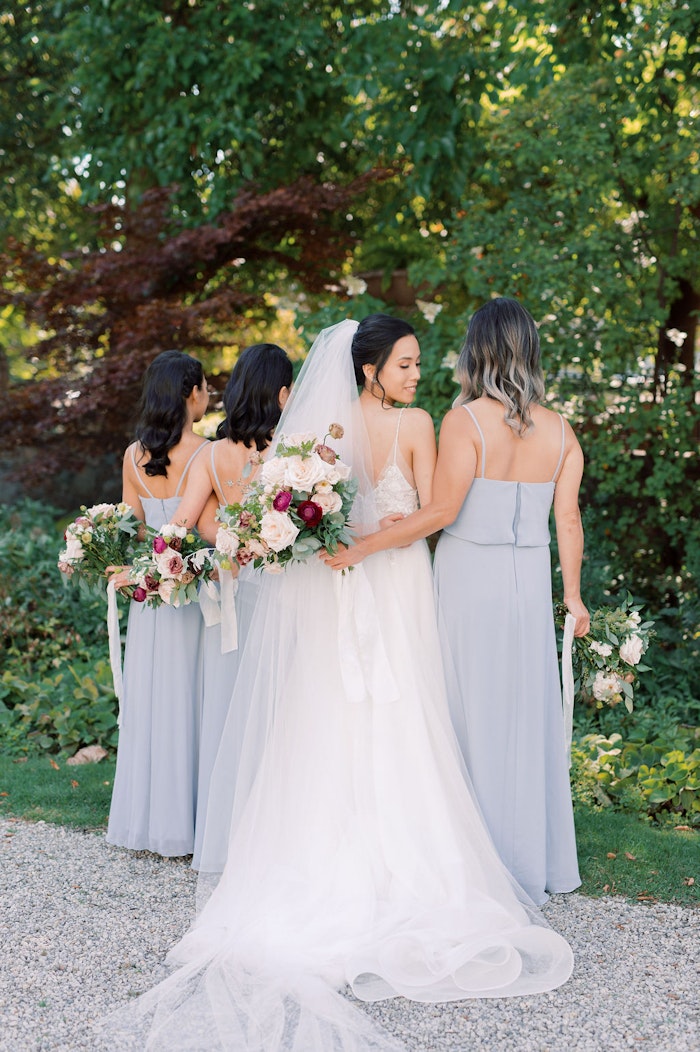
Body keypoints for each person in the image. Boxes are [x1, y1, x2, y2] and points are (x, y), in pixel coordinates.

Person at [118, 316, 573, 1052]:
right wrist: (326, 535)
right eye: (402, 364)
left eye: (418, 364)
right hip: (360, 581)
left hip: (384, 583)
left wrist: (352, 539)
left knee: (399, 714)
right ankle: (334, 862)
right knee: (333, 716)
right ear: (368, 370)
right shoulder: (349, 427)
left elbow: (430, 511)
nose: (415, 374)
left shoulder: (406, 420)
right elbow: (366, 511)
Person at [326, 298, 588, 905]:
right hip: (530, 580)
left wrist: (371, 542)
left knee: (464, 713)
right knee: (527, 714)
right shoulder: (560, 429)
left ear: (479, 351)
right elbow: (568, 518)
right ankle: (534, 861)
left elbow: (442, 513)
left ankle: (475, 861)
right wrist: (572, 597)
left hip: (471, 578)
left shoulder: (465, 421)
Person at [171, 343, 293, 868]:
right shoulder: (296, 452)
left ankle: (227, 839)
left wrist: (224, 538)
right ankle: (277, 838)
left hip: (234, 592)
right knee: (284, 713)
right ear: (283, 391)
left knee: (231, 715)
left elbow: (186, 521)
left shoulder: (212, 454)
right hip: (285, 594)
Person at [106, 350, 210, 858]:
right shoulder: (206, 454)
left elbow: (135, 530)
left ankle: (149, 822)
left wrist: (140, 569)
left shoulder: (132, 455)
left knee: (155, 698)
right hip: (191, 591)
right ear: (192, 394)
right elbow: (202, 530)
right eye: (205, 386)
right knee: (192, 696)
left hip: (148, 592)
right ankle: (188, 822)